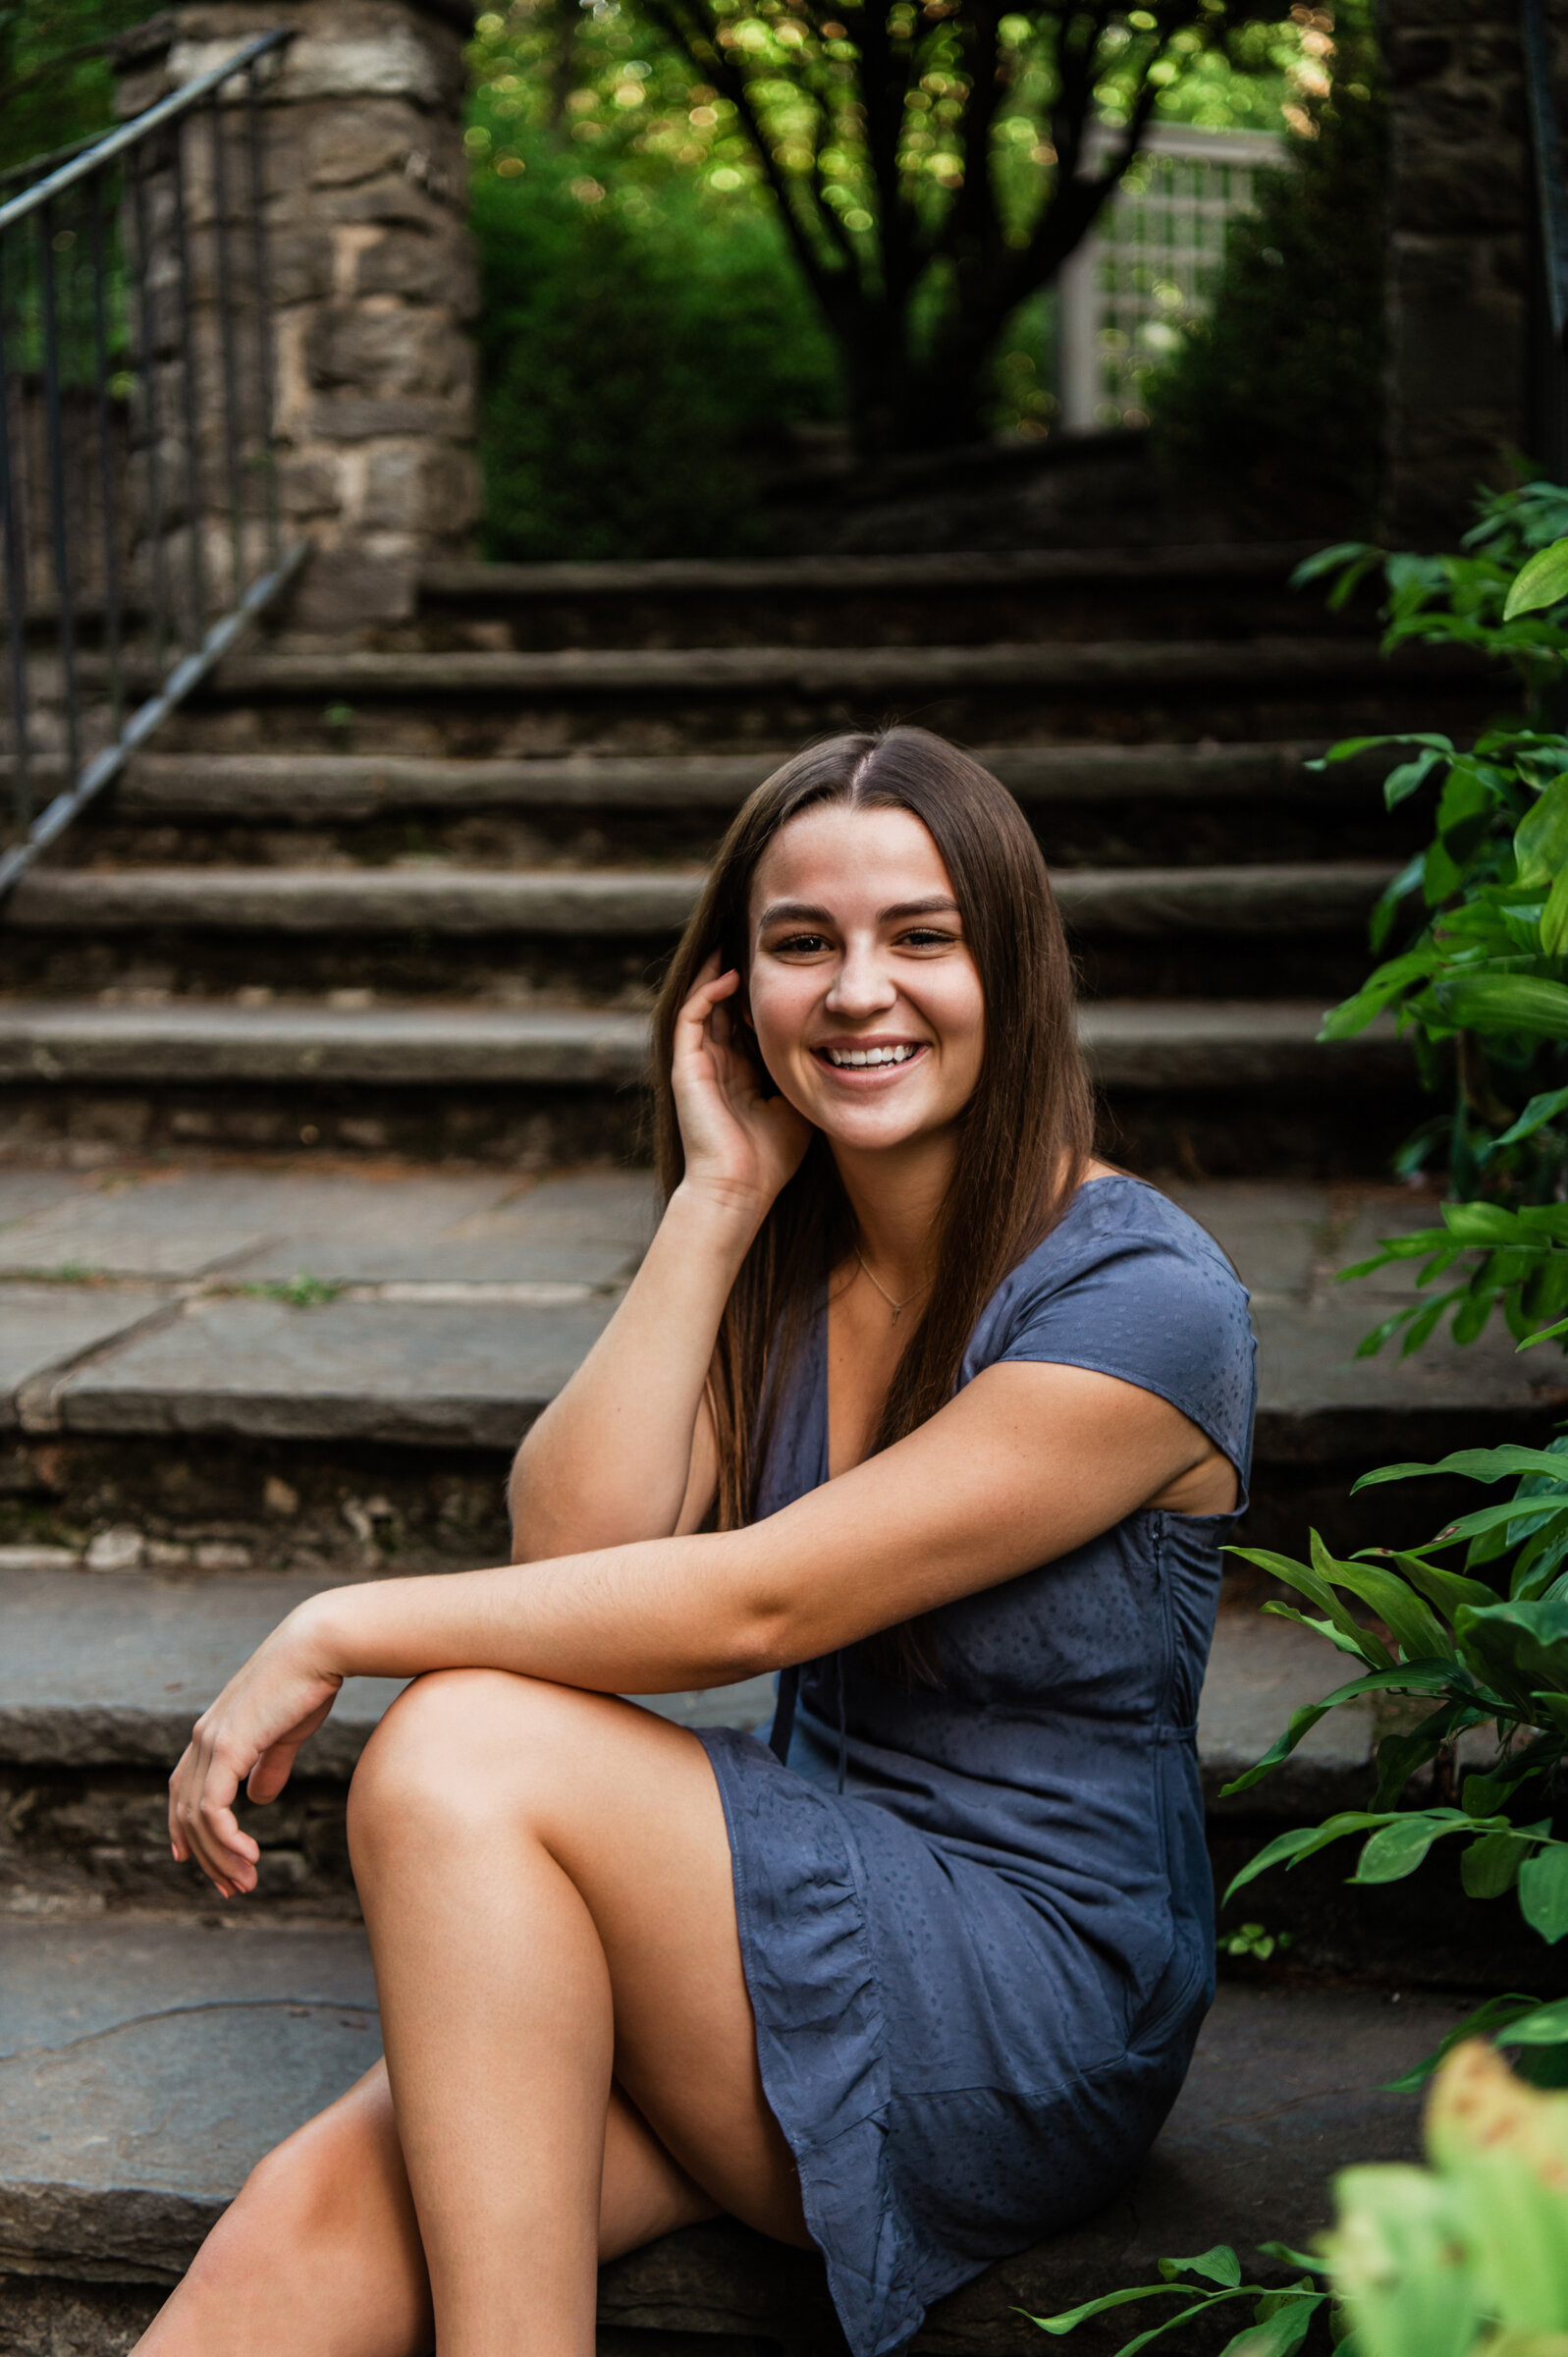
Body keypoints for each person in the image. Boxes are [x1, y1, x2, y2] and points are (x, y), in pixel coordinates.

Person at [139, 726, 1256, 2357]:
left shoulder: (1144, 1306)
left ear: (1016, 969)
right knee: (304, 2217)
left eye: (920, 938)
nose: (858, 991)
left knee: (458, 1744)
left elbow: (756, 1604)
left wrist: (330, 1626)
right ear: (732, 991)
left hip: (1028, 1998)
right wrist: (717, 1199)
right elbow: (567, 1553)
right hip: (776, 1934)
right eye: (803, 943)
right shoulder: (790, 1274)